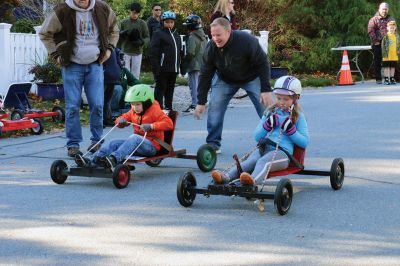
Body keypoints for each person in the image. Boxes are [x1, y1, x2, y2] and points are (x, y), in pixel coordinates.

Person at [39, 0, 119, 157]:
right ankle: (73, 145)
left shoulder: (102, 8)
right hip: (72, 66)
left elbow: (114, 30)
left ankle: (97, 141)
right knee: (73, 107)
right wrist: (56, 55)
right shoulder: (62, 10)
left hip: (95, 64)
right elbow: (45, 33)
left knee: (97, 104)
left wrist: (109, 50)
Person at [193, 18, 273, 154]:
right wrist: (201, 101)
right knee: (215, 106)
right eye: (212, 35)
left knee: (266, 107)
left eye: (218, 35)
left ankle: (275, 140)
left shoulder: (246, 40)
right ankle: (213, 143)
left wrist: (265, 89)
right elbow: (205, 74)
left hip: (251, 77)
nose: (215, 38)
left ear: (228, 31)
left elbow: (263, 63)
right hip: (225, 79)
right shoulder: (211, 47)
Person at [211, 76, 309, 185]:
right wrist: (267, 125)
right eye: (278, 98)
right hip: (264, 148)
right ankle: (226, 177)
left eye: (286, 99)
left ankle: (252, 181)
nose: (281, 102)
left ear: (295, 99)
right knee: (250, 161)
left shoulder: (298, 116)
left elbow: (304, 142)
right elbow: (257, 136)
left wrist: (291, 131)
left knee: (263, 162)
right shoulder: (270, 112)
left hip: (282, 154)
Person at [75, 84, 174, 168]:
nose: (135, 107)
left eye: (138, 104)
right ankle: (92, 160)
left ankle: (114, 159)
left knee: (134, 137)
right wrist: (120, 121)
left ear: (146, 102)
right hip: (137, 146)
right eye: (132, 104)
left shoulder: (155, 111)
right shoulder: (133, 111)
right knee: (113, 143)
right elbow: (123, 117)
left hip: (152, 147)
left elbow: (169, 124)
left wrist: (152, 126)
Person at [150, 10, 182, 111]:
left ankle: (169, 109)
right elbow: (153, 53)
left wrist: (181, 66)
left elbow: (179, 51)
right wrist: (156, 68)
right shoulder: (158, 34)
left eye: (171, 22)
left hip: (173, 69)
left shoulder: (176, 35)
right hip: (162, 69)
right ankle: (157, 110)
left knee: (170, 90)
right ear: (162, 22)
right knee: (160, 90)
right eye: (167, 22)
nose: (169, 24)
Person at [181, 14, 208, 113]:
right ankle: (201, 103)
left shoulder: (192, 37)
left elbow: (190, 52)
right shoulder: (203, 35)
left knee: (193, 85)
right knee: (200, 85)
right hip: (202, 64)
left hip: (194, 65)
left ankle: (195, 105)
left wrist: (184, 63)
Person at [118, 2, 149, 79]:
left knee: (135, 75)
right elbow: (117, 36)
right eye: (133, 12)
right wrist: (121, 34)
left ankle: (135, 90)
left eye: (137, 13)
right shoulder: (124, 22)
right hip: (125, 51)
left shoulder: (142, 23)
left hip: (137, 52)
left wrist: (142, 42)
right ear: (130, 11)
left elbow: (147, 37)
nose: (135, 15)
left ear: (139, 13)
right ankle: (125, 90)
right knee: (125, 74)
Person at [368, 2, 395, 84]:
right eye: (383, 9)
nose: (384, 11)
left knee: (389, 61)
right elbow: (370, 31)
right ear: (379, 9)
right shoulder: (374, 19)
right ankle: (378, 78)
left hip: (389, 44)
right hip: (377, 43)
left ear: (388, 10)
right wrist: (375, 41)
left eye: (386, 9)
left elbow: (394, 30)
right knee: (377, 61)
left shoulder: (391, 19)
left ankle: (390, 78)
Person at [103, 48, 123, 126]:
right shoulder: (114, 47)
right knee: (107, 99)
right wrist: (118, 70)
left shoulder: (103, 46)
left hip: (106, 74)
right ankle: (107, 118)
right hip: (112, 74)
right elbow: (119, 62)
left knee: (104, 99)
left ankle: (105, 118)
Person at [381, 21, 399, 85]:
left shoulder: (397, 36)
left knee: (393, 67)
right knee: (387, 67)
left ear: (395, 28)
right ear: (387, 28)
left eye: (393, 28)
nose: (392, 29)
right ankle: (386, 78)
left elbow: (398, 44)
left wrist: (398, 50)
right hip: (387, 55)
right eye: (390, 28)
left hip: (394, 55)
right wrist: (384, 54)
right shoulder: (386, 36)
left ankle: (391, 78)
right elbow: (383, 46)